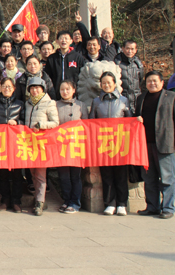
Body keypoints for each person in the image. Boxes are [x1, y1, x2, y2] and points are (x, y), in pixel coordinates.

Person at [134, 71, 175, 219]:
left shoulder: (173, 97)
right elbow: (136, 117)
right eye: (149, 81)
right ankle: (152, 207)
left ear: (162, 82)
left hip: (165, 143)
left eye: (155, 81)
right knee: (149, 178)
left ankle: (168, 208)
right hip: (145, 144)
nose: (152, 83)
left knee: (167, 178)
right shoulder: (141, 98)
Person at [90, 72, 132, 216]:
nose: (106, 85)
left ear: (114, 83)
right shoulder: (96, 102)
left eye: (109, 82)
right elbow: (91, 122)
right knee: (106, 175)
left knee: (121, 174)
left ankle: (122, 203)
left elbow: (129, 120)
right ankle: (109, 203)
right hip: (103, 143)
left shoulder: (123, 100)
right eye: (103, 83)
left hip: (120, 143)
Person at [24, 77, 59, 216]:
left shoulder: (49, 103)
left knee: (40, 174)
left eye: (37, 88)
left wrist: (41, 125)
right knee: (32, 173)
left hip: (42, 144)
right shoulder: (28, 103)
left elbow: (55, 122)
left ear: (43, 89)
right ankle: (39, 199)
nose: (34, 90)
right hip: (28, 143)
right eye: (32, 88)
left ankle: (39, 202)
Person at [0, 78, 25, 213]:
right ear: (0, 88)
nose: (6, 89)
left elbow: (25, 121)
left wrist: (17, 123)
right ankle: (5, 200)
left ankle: (16, 201)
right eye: (4, 86)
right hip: (0, 143)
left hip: (16, 143)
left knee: (17, 174)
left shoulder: (20, 104)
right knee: (2, 173)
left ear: (14, 88)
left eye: (9, 86)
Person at [55, 80, 89, 214]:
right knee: (63, 176)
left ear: (74, 90)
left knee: (75, 176)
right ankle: (66, 200)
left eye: (68, 89)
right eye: (62, 89)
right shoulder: (55, 105)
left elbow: (86, 125)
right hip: (61, 146)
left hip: (76, 146)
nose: (65, 92)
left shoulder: (81, 105)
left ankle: (75, 203)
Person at [45, 31, 86, 99]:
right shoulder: (52, 58)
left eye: (66, 38)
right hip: (56, 95)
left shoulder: (78, 57)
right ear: (57, 41)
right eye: (61, 38)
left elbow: (83, 76)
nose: (64, 40)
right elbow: (47, 77)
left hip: (74, 95)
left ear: (71, 41)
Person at [115, 40, 144, 111]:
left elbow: (140, 80)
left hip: (136, 99)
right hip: (121, 99)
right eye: (127, 48)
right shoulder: (116, 63)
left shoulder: (138, 64)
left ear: (136, 50)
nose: (130, 51)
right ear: (123, 48)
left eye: (132, 49)